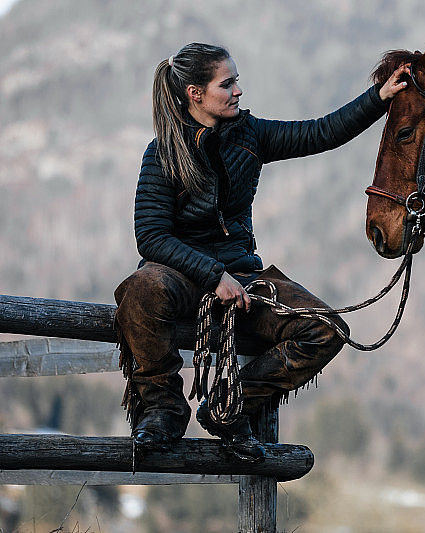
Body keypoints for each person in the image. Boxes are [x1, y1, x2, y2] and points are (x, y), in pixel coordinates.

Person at [114, 42, 409, 463]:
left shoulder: (251, 135)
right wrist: (214, 276)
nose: (238, 90)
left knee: (325, 329)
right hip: (179, 275)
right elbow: (151, 238)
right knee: (139, 289)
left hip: (246, 276)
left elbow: (321, 132)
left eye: (237, 81)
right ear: (195, 93)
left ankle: (228, 405)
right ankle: (162, 410)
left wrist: (378, 99)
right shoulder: (161, 154)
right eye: (227, 83)